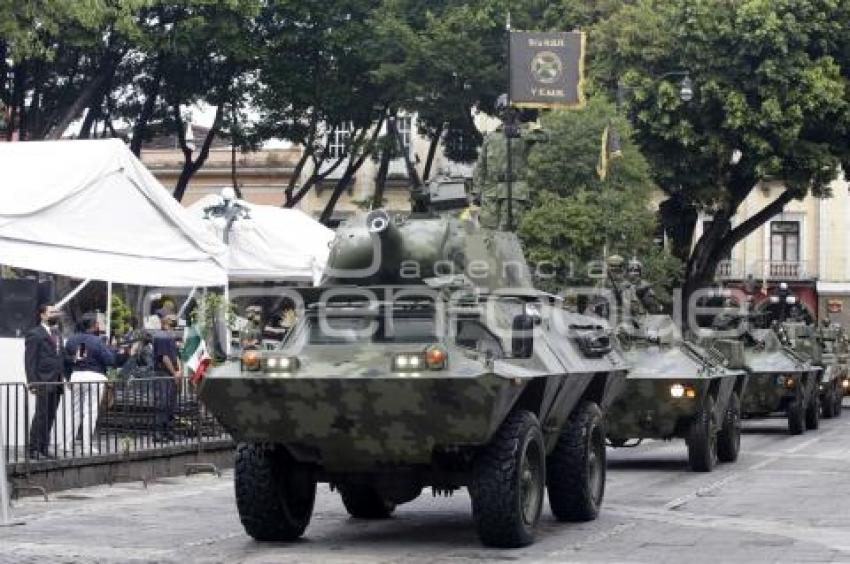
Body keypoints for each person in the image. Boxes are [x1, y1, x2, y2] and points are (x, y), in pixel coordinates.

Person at [472, 104, 547, 231]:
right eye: (505, 110)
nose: (508, 114)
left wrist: (519, 132)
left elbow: (545, 136)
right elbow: (481, 166)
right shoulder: (490, 137)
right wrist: (477, 192)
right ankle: (480, 251)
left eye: (512, 110)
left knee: (508, 233)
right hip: (491, 190)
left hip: (514, 190)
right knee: (485, 230)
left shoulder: (525, 132)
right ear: (499, 113)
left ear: (517, 113)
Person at [60, 313, 115, 454]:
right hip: (94, 377)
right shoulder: (97, 341)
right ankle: (86, 446)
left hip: (76, 376)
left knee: (74, 412)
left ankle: (66, 444)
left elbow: (65, 361)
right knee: (90, 412)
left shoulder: (71, 340)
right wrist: (111, 349)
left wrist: (68, 378)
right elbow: (110, 361)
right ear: (94, 325)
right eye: (97, 323)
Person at [24, 304, 64, 460]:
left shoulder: (57, 333)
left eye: (56, 311)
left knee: (50, 416)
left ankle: (44, 447)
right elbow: (30, 361)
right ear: (42, 315)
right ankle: (33, 449)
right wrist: (32, 382)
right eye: (52, 312)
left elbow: (61, 356)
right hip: (42, 380)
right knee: (41, 415)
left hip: (57, 381)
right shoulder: (34, 334)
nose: (55, 314)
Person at [151, 314, 181, 442]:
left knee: (171, 404)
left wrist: (178, 371)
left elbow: (176, 356)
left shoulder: (170, 337)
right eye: (171, 325)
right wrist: (175, 372)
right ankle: (159, 432)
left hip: (170, 374)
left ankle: (169, 431)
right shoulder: (161, 336)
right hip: (163, 373)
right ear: (165, 324)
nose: (173, 328)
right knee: (162, 404)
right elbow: (164, 358)